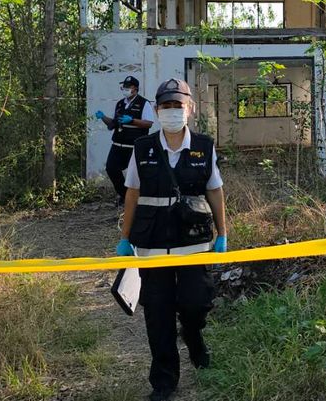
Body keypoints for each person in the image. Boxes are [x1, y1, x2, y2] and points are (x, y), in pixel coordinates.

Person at [117, 78, 228, 401]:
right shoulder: (143, 148)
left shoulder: (204, 146)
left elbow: (215, 191)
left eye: (177, 105)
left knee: (196, 304)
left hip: (194, 243)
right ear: (156, 110)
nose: (171, 111)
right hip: (152, 243)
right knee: (158, 312)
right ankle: (164, 381)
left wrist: (223, 233)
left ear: (189, 109)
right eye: (165, 106)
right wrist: (125, 238)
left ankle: (193, 336)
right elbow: (132, 192)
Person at [94, 76, 155, 205]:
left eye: (128, 87)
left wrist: (132, 120)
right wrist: (103, 117)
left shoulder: (143, 103)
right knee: (111, 169)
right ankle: (125, 195)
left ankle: (141, 199)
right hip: (118, 144)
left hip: (134, 146)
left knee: (137, 174)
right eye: (124, 87)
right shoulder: (120, 104)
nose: (125, 89)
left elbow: (149, 123)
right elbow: (112, 124)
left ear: (135, 89)